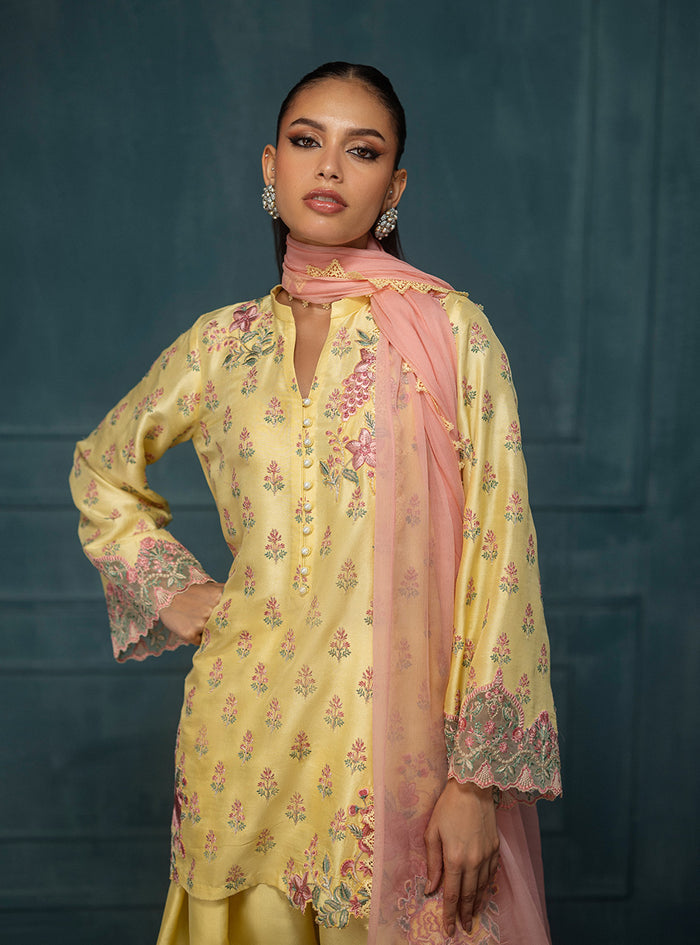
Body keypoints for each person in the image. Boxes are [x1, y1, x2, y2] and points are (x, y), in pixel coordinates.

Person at [70, 62, 561, 945]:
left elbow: (501, 560)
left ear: (394, 187)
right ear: (271, 165)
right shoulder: (222, 346)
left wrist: (476, 784)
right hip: (239, 753)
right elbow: (101, 469)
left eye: (361, 150)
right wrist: (175, 591)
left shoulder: (450, 335)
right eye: (306, 142)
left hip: (395, 772)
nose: (329, 167)